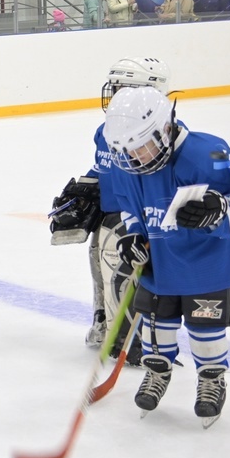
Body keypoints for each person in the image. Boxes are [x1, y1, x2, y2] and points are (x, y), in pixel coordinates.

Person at [102, 86, 230, 425]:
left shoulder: (209, 154)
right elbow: (129, 208)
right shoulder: (129, 165)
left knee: (204, 329)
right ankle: (157, 373)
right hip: (160, 265)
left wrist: (218, 208)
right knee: (157, 327)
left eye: (141, 146)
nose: (134, 158)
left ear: (165, 128)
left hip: (206, 266)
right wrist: (133, 236)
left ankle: (212, 379)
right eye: (127, 151)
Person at [50, 57, 171, 360]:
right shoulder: (104, 130)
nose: (115, 95)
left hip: (138, 220)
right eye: (114, 87)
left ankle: (138, 337)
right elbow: (104, 168)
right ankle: (105, 321)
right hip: (110, 213)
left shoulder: (159, 134)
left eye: (122, 88)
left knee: (121, 269)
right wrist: (85, 190)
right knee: (99, 263)